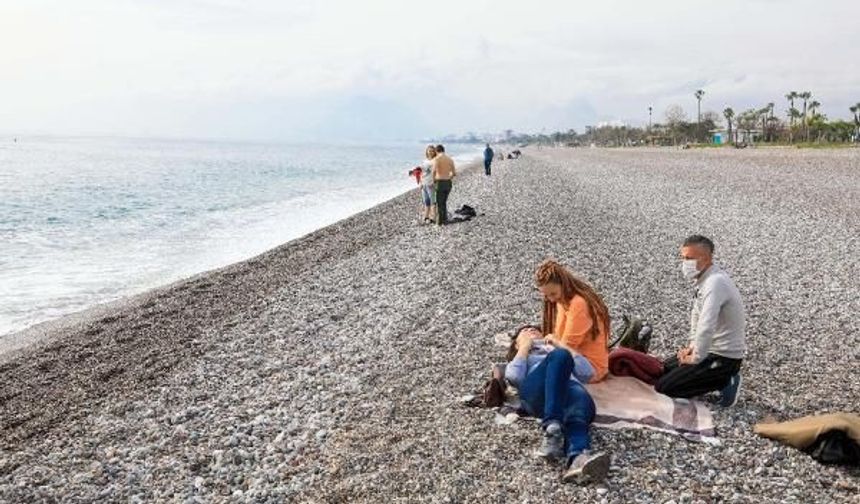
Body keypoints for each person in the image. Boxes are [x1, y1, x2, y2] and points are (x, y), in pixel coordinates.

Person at [505, 325, 610, 484]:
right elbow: (514, 377)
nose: (531, 330)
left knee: (577, 414)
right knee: (560, 357)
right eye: (525, 331)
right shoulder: (524, 355)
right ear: (516, 343)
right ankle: (552, 424)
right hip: (537, 394)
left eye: (535, 329)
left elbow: (587, 373)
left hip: (570, 392)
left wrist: (560, 344)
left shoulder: (556, 349)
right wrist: (524, 347)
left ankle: (578, 459)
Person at [654, 235, 746, 407]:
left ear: (706, 259)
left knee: (664, 388)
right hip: (709, 348)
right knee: (664, 370)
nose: (685, 263)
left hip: (723, 356)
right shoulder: (703, 280)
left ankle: (726, 381)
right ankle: (704, 374)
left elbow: (706, 324)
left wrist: (696, 357)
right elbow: (696, 317)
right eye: (683, 258)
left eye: (689, 258)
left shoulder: (715, 283)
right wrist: (691, 346)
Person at [534, 259, 611, 384]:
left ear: (563, 284)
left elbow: (567, 347)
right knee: (532, 352)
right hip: (574, 356)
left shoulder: (579, 304)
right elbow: (560, 339)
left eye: (553, 294)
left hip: (591, 367)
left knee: (534, 361)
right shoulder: (563, 301)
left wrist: (552, 341)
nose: (551, 300)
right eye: (547, 296)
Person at [431, 144, 456, 225]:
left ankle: (439, 222)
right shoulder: (450, 159)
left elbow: (434, 171)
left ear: (436, 151)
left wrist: (433, 180)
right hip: (448, 182)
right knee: (444, 202)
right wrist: (448, 178)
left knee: (439, 203)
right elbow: (454, 173)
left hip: (440, 182)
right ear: (443, 150)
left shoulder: (437, 159)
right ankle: (445, 219)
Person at [419, 145, 437, 224]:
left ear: (434, 152)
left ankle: (433, 218)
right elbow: (421, 173)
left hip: (430, 184)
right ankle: (426, 217)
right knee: (426, 202)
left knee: (432, 202)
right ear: (426, 151)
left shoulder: (435, 161)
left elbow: (435, 172)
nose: (430, 152)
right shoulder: (424, 161)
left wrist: (433, 181)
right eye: (429, 150)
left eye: (432, 151)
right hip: (424, 184)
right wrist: (420, 182)